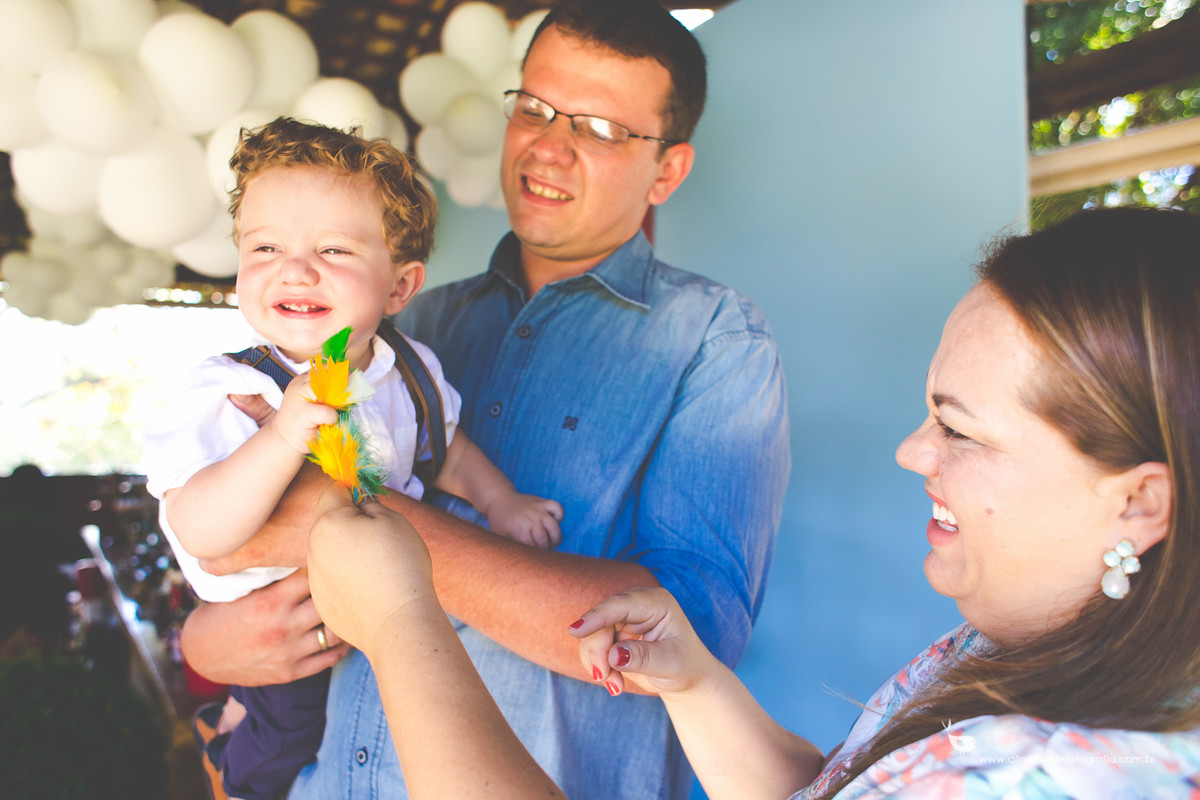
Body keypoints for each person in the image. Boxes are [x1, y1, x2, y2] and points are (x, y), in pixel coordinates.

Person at [305, 206, 1200, 799]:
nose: (912, 451)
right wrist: (694, 682)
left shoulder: (1059, 780)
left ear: (1138, 503)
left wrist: (399, 621)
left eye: (960, 431)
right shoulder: (1000, 647)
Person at [179, 2, 791, 798]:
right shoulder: (404, 324)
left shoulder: (717, 340)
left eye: (600, 128)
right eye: (534, 108)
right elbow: (244, 559)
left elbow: (689, 640)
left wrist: (354, 518)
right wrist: (209, 642)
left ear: (667, 171)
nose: (549, 146)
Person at [144, 117, 563, 800]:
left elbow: (444, 450)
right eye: (266, 246)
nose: (295, 268)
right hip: (285, 615)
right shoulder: (233, 389)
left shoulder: (413, 371)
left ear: (400, 288)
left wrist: (500, 501)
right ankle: (230, 759)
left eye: (333, 249)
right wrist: (281, 439)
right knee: (288, 733)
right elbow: (201, 532)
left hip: (373, 601)